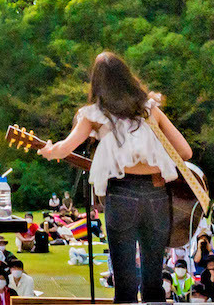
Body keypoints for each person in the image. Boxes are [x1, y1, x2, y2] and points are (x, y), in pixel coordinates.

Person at [38, 52, 195, 304]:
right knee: (154, 280)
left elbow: (64, 148)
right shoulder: (150, 110)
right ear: (127, 77)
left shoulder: (93, 114)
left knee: (124, 281)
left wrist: (48, 149)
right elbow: (185, 152)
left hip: (121, 194)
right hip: (157, 195)